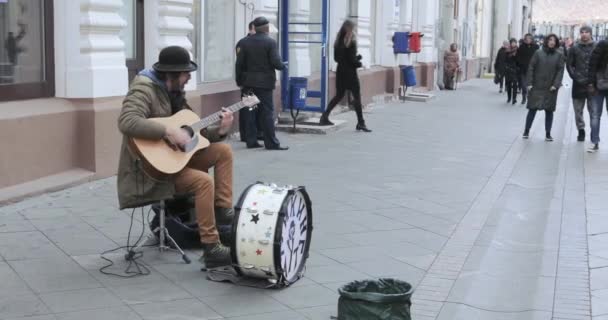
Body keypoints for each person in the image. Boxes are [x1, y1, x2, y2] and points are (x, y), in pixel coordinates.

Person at [116, 46, 235, 268]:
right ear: (172, 74)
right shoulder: (143, 89)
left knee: (223, 151)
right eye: (186, 74)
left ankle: (223, 213)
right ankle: (212, 248)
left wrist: (220, 130)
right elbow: (127, 121)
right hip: (151, 171)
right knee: (203, 182)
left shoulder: (175, 92)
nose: (189, 78)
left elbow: (194, 133)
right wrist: (167, 131)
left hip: (177, 161)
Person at [235, 16, 289, 150]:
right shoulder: (270, 42)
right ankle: (271, 143)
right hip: (264, 85)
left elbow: (239, 65)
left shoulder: (243, 42)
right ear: (266, 28)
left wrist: (239, 81)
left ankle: (251, 141)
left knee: (250, 112)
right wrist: (283, 66)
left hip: (248, 84)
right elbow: (276, 63)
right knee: (266, 113)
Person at [319, 19, 371, 132]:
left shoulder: (338, 41)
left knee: (339, 95)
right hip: (350, 74)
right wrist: (360, 62)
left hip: (341, 72)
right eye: (354, 28)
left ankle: (324, 116)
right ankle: (361, 123)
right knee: (357, 97)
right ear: (351, 29)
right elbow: (352, 60)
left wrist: (354, 59)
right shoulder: (351, 41)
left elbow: (337, 59)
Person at [522, 34, 565, 141]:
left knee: (549, 111)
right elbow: (531, 67)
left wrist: (556, 85)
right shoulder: (538, 53)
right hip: (536, 86)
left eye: (554, 40)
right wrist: (529, 83)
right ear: (546, 41)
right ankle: (526, 131)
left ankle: (548, 133)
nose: (552, 42)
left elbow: (560, 71)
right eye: (550, 40)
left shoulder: (559, 55)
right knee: (532, 109)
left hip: (550, 88)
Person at [235, 21, 264, 144]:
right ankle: (246, 135)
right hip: (247, 81)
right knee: (248, 108)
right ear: (252, 28)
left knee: (257, 108)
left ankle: (257, 133)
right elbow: (239, 64)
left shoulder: (261, 41)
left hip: (260, 82)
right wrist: (239, 80)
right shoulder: (243, 43)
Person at [566, 26, 596, 142]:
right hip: (578, 84)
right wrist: (575, 76)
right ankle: (581, 130)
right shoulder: (574, 48)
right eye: (582, 32)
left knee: (593, 110)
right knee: (578, 110)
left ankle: (594, 130)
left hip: (593, 85)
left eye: (586, 32)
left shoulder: (596, 47)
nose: (584, 34)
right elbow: (569, 65)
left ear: (590, 33)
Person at [587, 38, 608, 153]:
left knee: (595, 115)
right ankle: (594, 141)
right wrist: (590, 83)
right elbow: (592, 65)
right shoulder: (603, 44)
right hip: (598, 85)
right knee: (595, 115)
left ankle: (594, 142)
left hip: (598, 85)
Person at [517, 33, 540, 105]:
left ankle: (529, 98)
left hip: (533, 70)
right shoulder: (521, 47)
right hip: (523, 69)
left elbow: (539, 58)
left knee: (531, 86)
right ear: (525, 39)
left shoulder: (536, 47)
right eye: (527, 38)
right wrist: (520, 64)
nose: (528, 40)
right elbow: (518, 57)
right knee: (524, 85)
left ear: (532, 39)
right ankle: (524, 97)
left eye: (530, 38)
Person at [505, 38, 520, 104]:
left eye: (515, 42)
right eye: (512, 42)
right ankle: (509, 98)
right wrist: (506, 67)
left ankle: (514, 99)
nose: (514, 44)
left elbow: (520, 60)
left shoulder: (518, 51)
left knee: (515, 85)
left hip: (515, 70)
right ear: (510, 43)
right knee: (508, 85)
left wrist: (518, 67)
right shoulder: (507, 51)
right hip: (508, 70)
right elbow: (504, 60)